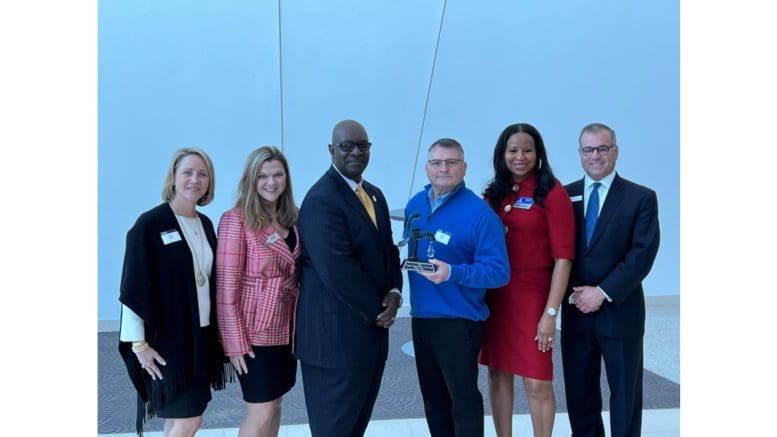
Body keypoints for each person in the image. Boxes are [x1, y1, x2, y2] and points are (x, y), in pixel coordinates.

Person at [295, 119, 403, 436]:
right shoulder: (320, 199)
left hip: (367, 338)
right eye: (347, 146)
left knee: (355, 428)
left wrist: (394, 293)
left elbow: (388, 250)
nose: (356, 152)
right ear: (332, 150)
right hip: (335, 342)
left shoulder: (374, 195)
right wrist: (377, 309)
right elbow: (336, 268)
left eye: (362, 145)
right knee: (334, 430)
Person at [118, 147, 230, 437]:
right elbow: (132, 288)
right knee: (188, 421)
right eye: (188, 173)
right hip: (169, 342)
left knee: (180, 420)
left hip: (200, 338)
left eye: (202, 174)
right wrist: (138, 345)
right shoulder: (150, 225)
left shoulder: (204, 224)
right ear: (173, 177)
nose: (195, 179)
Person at [404, 138, 510, 437]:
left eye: (451, 162)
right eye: (437, 162)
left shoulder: (480, 214)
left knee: (462, 401)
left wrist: (453, 272)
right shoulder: (415, 205)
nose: (444, 168)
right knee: (434, 401)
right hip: (423, 318)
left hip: (459, 321)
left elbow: (499, 272)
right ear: (427, 168)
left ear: (464, 167)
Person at [561, 123, 660, 437]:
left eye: (602, 148)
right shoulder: (565, 196)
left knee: (624, 394)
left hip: (621, 311)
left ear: (615, 151)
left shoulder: (640, 197)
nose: (595, 156)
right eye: (588, 149)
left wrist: (602, 292)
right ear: (580, 154)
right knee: (580, 393)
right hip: (576, 311)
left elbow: (642, 254)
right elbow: (557, 251)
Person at [479, 123, 575, 437]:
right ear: (502, 154)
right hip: (496, 298)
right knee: (498, 374)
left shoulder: (552, 192)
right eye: (513, 150)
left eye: (527, 150)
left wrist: (551, 313)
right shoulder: (494, 194)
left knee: (537, 381)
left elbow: (564, 258)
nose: (520, 157)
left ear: (538, 154)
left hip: (534, 297)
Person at [215, 146, 301, 437]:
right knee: (261, 407)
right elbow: (225, 286)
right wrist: (234, 341)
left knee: (276, 403)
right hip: (253, 331)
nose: (271, 182)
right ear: (251, 179)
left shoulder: (294, 217)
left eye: (278, 174)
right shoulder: (235, 220)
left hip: (287, 328)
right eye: (262, 175)